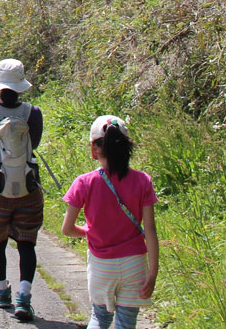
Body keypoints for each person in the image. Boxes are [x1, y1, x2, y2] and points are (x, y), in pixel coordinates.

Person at [61, 116, 159, 329]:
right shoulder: (143, 181)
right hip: (135, 264)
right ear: (126, 147)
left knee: (100, 319)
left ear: (94, 149)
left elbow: (67, 229)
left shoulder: (84, 182)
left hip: (101, 265)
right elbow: (150, 230)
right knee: (126, 324)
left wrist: (89, 232)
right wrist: (153, 271)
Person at [0, 58, 44, 322]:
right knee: (26, 241)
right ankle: (24, 297)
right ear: (21, 85)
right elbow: (33, 143)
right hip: (27, 186)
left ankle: (3, 291)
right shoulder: (33, 112)